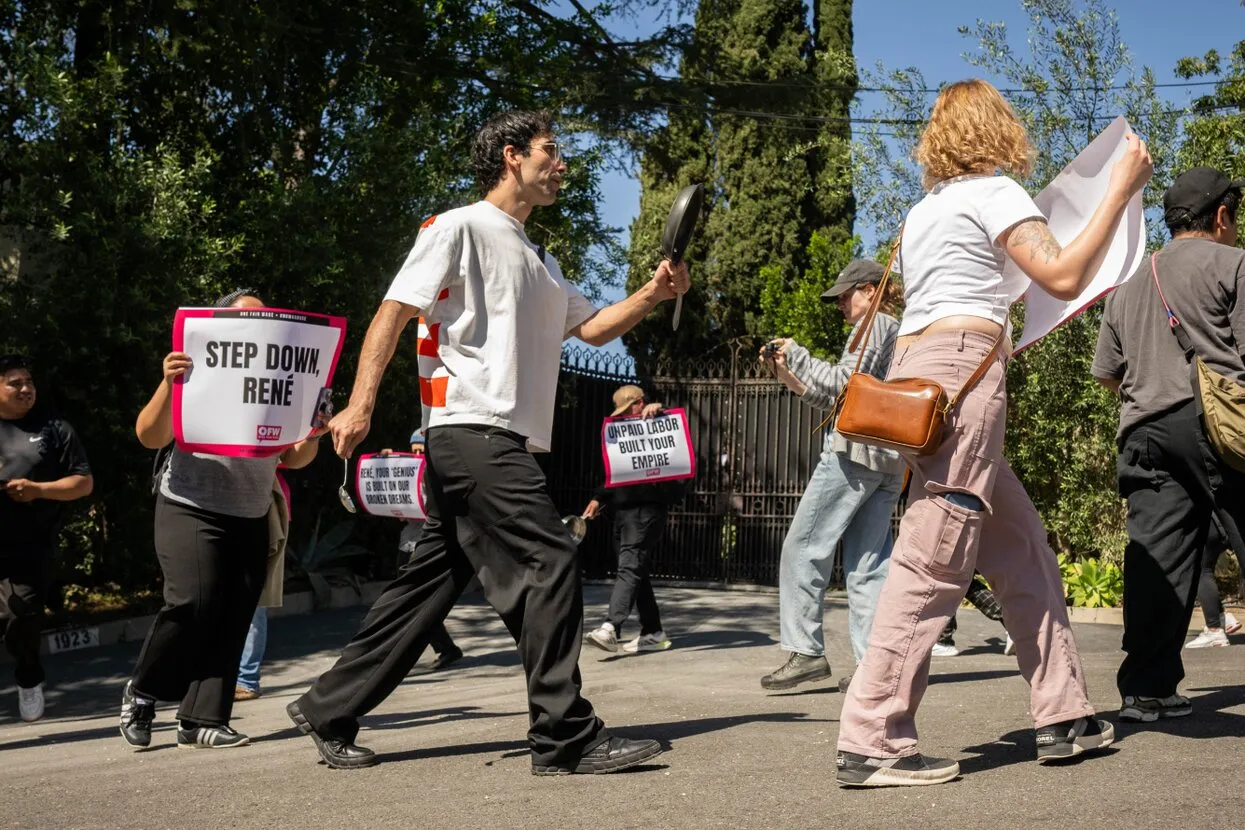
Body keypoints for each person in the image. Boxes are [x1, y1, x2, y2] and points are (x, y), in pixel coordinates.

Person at [286, 109, 689, 774]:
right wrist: (359, 404)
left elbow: (590, 331)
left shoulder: (540, 259)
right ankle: (564, 737)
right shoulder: (459, 227)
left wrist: (650, 291)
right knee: (552, 559)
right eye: (549, 152)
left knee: (429, 585)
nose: (561, 165)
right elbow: (394, 311)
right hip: (472, 432)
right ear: (511, 156)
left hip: (496, 440)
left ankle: (328, 706)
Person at [835, 78, 1152, 788]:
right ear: (994, 128)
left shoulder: (925, 212)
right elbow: (1064, 275)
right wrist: (1120, 188)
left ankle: (1062, 714)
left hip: (926, 374)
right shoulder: (995, 191)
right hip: (964, 375)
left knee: (1021, 550)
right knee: (933, 552)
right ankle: (871, 737)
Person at [119, 290, 325, 749]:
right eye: (244, 315)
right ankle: (144, 692)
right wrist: (169, 384)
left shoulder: (281, 376)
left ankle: (202, 719)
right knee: (191, 602)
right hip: (189, 503)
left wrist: (313, 431)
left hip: (250, 510)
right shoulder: (193, 368)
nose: (256, 321)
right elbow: (149, 435)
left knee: (234, 614)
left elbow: (294, 457)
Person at [1092, 166, 1245, 720]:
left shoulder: (1130, 285)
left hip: (1143, 432)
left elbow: (1108, 372)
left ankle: (1146, 688)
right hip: (1217, 424)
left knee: (1157, 558)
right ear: (1222, 215)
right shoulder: (1234, 262)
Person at [755, 259, 905, 694]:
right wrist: (791, 375)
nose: (840, 303)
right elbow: (841, 397)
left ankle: (806, 651)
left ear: (871, 289)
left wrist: (798, 353)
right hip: (888, 458)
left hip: (854, 456)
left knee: (803, 546)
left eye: (846, 294)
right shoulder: (894, 329)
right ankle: (872, 668)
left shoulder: (875, 325)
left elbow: (844, 383)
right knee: (868, 565)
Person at [0, 355, 93, 722]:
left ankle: (28, 677)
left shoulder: (54, 428)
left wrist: (38, 490)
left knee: (18, 615)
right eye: (14, 382)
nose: (25, 389)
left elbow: (83, 483)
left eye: (29, 382)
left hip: (30, 546)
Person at [582, 385, 679, 655]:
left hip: (645, 513)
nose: (625, 415)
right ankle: (654, 632)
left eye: (629, 409)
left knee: (629, 567)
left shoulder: (657, 421)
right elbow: (618, 475)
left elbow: (674, 433)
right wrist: (599, 498)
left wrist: (659, 410)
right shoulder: (624, 437)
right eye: (622, 412)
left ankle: (610, 627)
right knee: (636, 572)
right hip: (623, 513)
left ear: (640, 402)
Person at [397, 431, 463, 671]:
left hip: (425, 542)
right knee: (407, 600)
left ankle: (444, 648)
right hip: (408, 541)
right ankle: (444, 647)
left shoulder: (435, 475)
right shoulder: (411, 471)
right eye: (413, 450)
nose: (416, 454)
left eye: (420, 449)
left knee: (415, 601)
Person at [1185, 519, 1241, 649]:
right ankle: (1222, 618)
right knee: (1205, 569)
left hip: (1211, 524)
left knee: (1200, 571)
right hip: (1220, 525)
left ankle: (1214, 630)